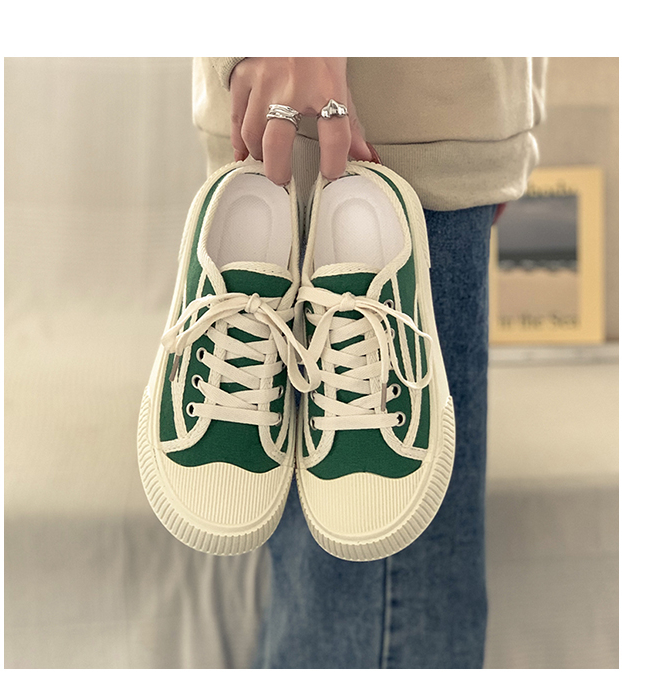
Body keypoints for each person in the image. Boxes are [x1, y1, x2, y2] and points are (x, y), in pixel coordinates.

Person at [190, 57, 547, 669]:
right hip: (358, 107)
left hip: (428, 111)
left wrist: (505, 122)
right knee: (375, 614)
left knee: (362, 602)